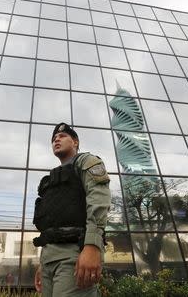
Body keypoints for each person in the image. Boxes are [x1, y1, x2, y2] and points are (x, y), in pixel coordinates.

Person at [33, 123, 111, 297]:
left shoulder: (86, 162)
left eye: (62, 136)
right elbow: (52, 224)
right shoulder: (50, 179)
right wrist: (43, 263)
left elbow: (99, 200)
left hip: (75, 255)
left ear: (75, 142)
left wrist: (92, 246)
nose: (56, 140)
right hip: (49, 260)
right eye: (53, 139)